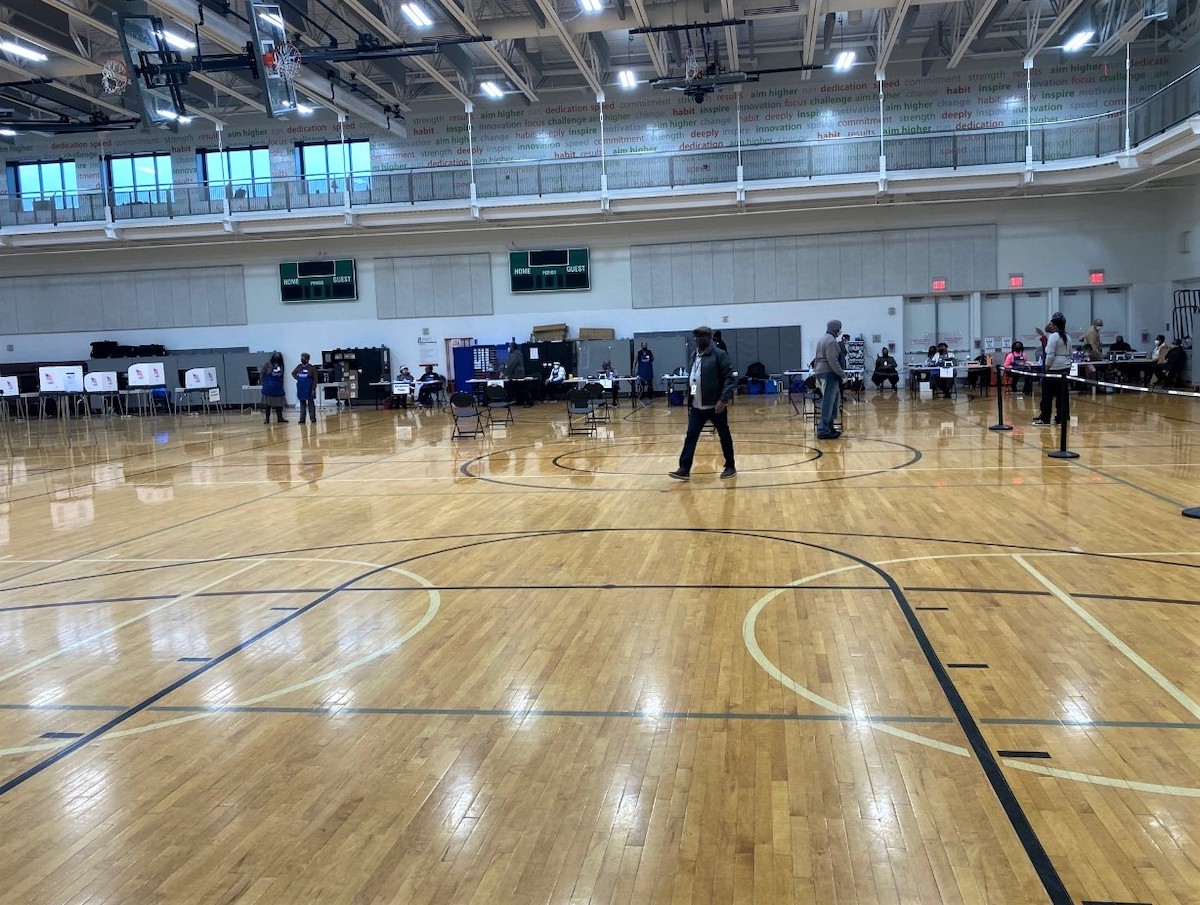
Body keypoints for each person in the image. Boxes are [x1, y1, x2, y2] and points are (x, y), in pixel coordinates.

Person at [668, 325, 737, 480]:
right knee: (690, 437)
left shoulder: (719, 354)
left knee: (724, 435)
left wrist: (723, 400)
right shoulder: (694, 355)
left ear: (709, 338)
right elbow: (694, 377)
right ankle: (684, 469)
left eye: (702, 337)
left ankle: (730, 466)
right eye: (697, 337)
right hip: (697, 406)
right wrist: (690, 400)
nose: (699, 340)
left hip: (715, 405)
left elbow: (730, 378)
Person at [1033, 313, 1070, 426]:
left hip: (1053, 369)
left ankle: (1045, 419)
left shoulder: (1054, 336)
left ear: (1056, 326)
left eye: (1052, 325)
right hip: (1065, 368)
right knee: (1061, 396)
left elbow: (1050, 354)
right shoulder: (1067, 337)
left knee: (1047, 396)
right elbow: (1070, 353)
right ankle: (1060, 419)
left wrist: (1047, 367)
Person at [812, 319, 846, 440]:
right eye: (839, 328)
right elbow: (833, 361)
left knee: (833, 401)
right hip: (829, 373)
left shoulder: (822, 339)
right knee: (829, 401)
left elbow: (816, 359)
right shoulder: (831, 341)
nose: (840, 330)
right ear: (836, 328)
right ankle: (823, 429)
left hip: (821, 372)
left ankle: (829, 427)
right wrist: (842, 374)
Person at [260, 352, 287, 424]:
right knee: (267, 404)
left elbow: (282, 376)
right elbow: (262, 374)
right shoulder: (267, 364)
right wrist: (263, 383)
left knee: (279, 404)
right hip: (269, 387)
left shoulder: (281, 366)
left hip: (278, 387)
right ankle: (267, 419)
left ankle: (280, 417)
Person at [291, 352, 318, 423]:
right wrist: (298, 378)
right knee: (302, 403)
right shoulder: (299, 366)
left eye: (303, 358)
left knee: (310, 403)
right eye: (301, 357)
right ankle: (302, 419)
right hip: (301, 388)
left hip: (309, 388)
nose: (302, 359)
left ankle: (312, 418)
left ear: (307, 359)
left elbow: (315, 379)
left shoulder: (312, 368)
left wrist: (313, 389)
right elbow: (293, 373)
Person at [502, 341, 528, 405]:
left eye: (509, 346)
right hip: (520, 375)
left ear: (512, 348)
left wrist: (505, 374)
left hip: (515, 375)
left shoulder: (514, 355)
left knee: (512, 389)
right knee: (519, 389)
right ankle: (520, 401)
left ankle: (508, 402)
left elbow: (511, 365)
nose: (508, 348)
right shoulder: (518, 354)